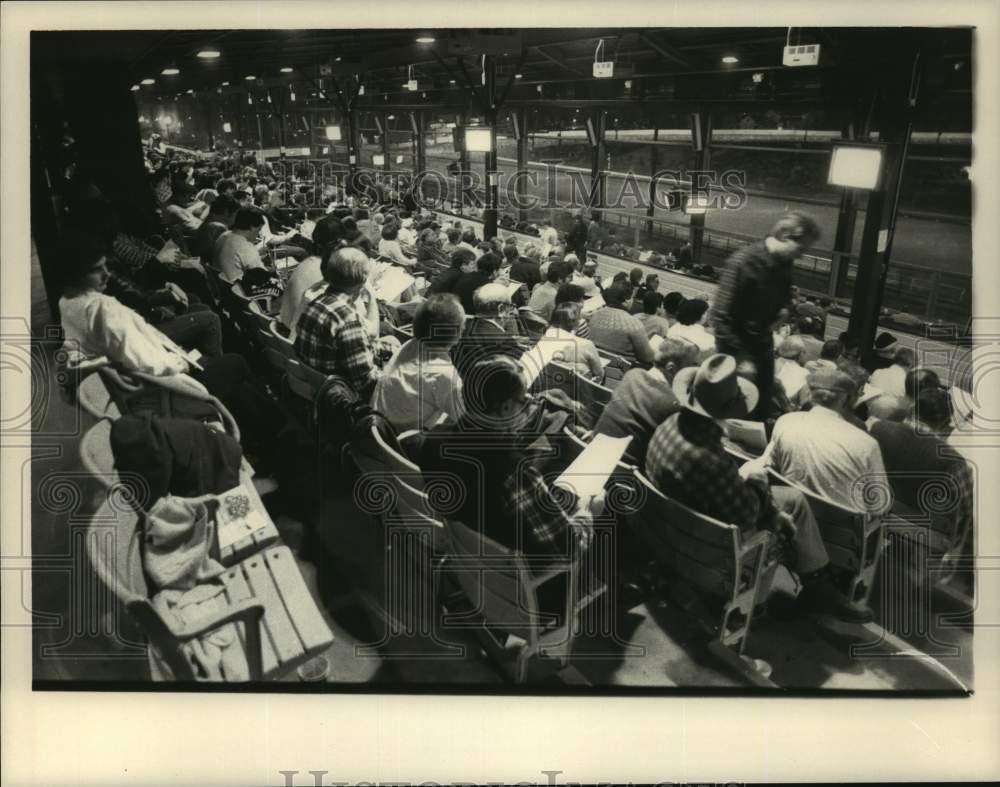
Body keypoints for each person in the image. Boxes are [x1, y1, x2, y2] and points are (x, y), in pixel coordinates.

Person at [644, 354, 872, 622]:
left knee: (788, 499)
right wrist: (758, 486)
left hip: (672, 531)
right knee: (792, 503)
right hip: (710, 551)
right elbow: (748, 514)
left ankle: (817, 581)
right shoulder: (708, 458)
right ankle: (817, 583)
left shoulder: (669, 424)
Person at [418, 355, 596, 560]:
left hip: (469, 559)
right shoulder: (514, 472)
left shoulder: (432, 441)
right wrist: (586, 509)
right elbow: (570, 547)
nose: (531, 402)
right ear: (505, 408)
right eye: (524, 399)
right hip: (524, 578)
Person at [710, 211, 822, 420]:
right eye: (801, 248)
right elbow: (720, 315)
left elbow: (785, 301)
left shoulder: (785, 265)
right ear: (785, 235)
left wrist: (784, 311)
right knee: (736, 414)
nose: (802, 255)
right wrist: (740, 358)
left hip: (761, 348)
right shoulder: (743, 261)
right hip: (736, 352)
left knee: (759, 412)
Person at [744, 367, 890, 516]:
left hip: (792, 516)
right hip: (841, 534)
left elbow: (771, 464)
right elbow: (879, 506)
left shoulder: (785, 422)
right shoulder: (866, 444)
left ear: (809, 394)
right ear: (847, 399)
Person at [870, 387, 973, 550]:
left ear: (913, 409)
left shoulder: (878, 429)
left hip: (875, 517)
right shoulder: (953, 462)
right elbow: (967, 510)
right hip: (922, 537)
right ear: (946, 424)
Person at [293, 247, 386, 400]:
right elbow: (366, 383)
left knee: (390, 343)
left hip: (319, 385)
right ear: (363, 281)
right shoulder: (348, 320)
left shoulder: (315, 302)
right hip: (344, 398)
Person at [593, 337, 699, 465]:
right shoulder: (673, 405)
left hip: (593, 453)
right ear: (671, 368)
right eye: (692, 365)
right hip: (624, 473)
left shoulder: (632, 375)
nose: (697, 371)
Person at [371, 294, 466, 433]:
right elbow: (464, 420)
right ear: (456, 333)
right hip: (405, 444)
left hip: (380, 429)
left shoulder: (410, 345)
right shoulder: (444, 374)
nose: (464, 328)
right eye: (462, 324)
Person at [451, 282, 527, 380]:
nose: (513, 311)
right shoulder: (507, 344)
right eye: (510, 306)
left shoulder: (461, 328)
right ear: (501, 309)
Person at [520, 301, 605, 385]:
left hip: (548, 385)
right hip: (579, 391)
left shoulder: (545, 339)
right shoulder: (586, 345)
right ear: (577, 322)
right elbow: (599, 375)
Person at [588, 279, 655, 366]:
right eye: (632, 298)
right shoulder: (634, 324)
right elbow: (648, 357)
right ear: (627, 300)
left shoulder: (594, 316)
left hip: (594, 368)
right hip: (623, 373)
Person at [214, 207, 267, 284]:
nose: (258, 234)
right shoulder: (246, 246)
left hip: (222, 286)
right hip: (239, 290)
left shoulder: (223, 236)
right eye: (259, 229)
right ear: (252, 227)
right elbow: (262, 276)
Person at [193, 194, 239, 264]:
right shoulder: (218, 227)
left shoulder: (209, 221)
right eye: (236, 215)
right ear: (226, 212)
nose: (236, 219)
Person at [774, 335, 810, 407]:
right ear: (801, 354)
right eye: (805, 352)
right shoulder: (804, 373)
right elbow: (804, 404)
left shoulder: (769, 363)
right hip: (785, 413)